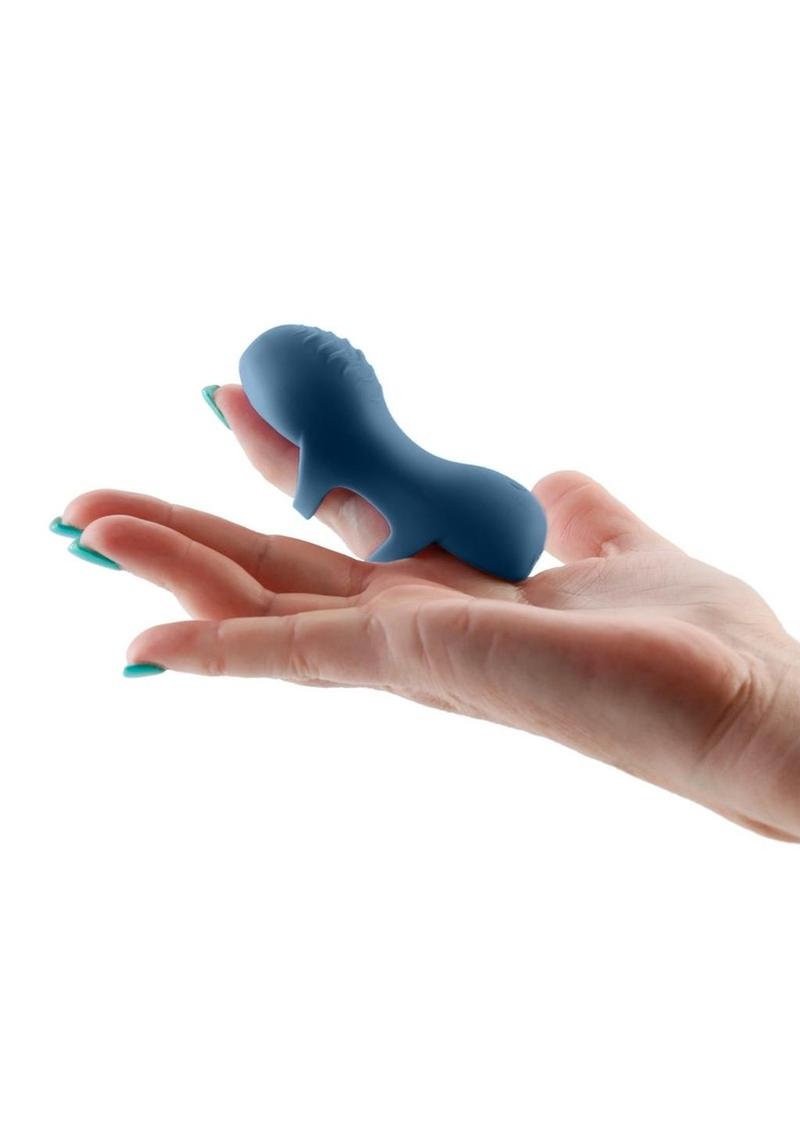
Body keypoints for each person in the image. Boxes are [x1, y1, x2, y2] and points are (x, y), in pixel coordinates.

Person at [54, 385, 800, 842]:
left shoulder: (340, 451)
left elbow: (326, 477)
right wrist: (746, 725)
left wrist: (751, 718)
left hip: (473, 514)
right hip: (484, 511)